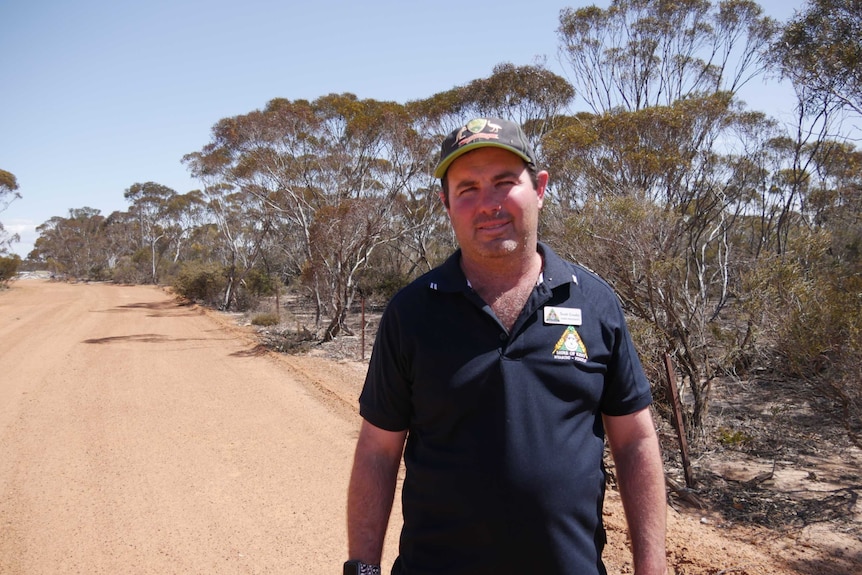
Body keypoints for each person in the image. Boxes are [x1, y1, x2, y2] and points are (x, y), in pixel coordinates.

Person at [345, 117, 667, 575]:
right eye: (467, 188)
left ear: (539, 188)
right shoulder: (411, 312)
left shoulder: (595, 303)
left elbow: (634, 440)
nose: (488, 204)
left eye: (503, 182)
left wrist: (652, 567)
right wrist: (362, 569)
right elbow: (378, 451)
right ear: (446, 203)